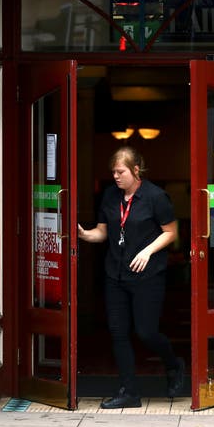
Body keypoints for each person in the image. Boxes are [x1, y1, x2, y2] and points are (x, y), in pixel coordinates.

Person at [78, 146, 185, 409]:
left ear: (136, 171)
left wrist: (147, 251)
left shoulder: (155, 197)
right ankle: (129, 392)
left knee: (146, 332)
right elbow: (103, 232)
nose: (116, 176)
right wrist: (84, 235)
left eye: (121, 171)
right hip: (115, 274)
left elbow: (170, 231)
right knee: (118, 332)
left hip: (147, 275)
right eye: (113, 172)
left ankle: (174, 364)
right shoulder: (110, 196)